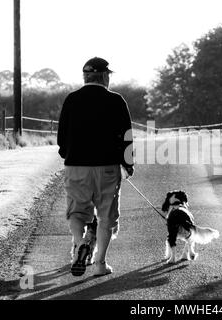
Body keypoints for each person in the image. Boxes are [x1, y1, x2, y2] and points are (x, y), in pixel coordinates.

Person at [57, 57, 134, 277]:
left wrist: (68, 155)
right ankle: (100, 264)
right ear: (103, 76)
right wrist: (128, 165)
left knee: (76, 211)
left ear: (86, 77)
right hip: (107, 167)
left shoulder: (71, 100)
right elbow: (127, 136)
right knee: (106, 216)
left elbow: (62, 137)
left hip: (76, 166)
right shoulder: (116, 100)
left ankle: (80, 243)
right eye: (108, 75)